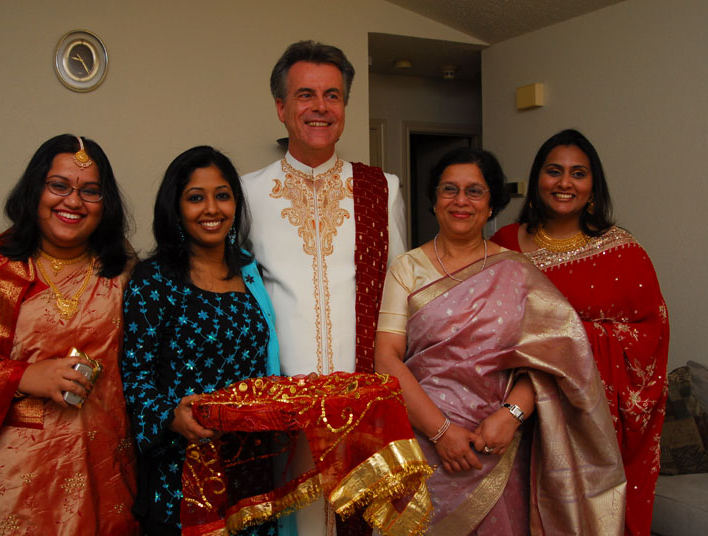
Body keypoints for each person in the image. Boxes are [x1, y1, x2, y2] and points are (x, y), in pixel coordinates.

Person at [375, 146, 626, 534]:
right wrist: (440, 432)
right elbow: (386, 358)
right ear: (434, 200)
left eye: (474, 191)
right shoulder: (407, 268)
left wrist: (511, 415)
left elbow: (555, 360)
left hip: (498, 446)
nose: (461, 201)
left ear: (491, 204)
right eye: (449, 189)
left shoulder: (519, 272)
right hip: (422, 441)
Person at [0, 134, 138, 535]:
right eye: (59, 186)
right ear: (35, 190)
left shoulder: (121, 268)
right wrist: (21, 376)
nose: (73, 202)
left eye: (90, 191)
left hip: (107, 464)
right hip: (18, 477)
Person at [241, 39, 407, 535]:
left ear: (345, 107)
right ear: (281, 107)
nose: (320, 107)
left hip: (364, 405)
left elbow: (401, 298)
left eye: (332, 95)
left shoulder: (382, 189)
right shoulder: (247, 192)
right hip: (281, 409)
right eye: (306, 95)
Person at [491, 129, 669, 536]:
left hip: (589, 422)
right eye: (554, 171)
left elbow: (650, 335)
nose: (565, 183)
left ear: (593, 187)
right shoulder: (502, 245)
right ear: (537, 180)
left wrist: (570, 337)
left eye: (578, 174)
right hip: (511, 420)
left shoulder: (623, 252)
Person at [121, 146, 280, 536]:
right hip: (181, 473)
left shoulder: (252, 273)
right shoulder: (153, 280)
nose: (212, 209)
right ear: (175, 208)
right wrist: (171, 416)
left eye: (222, 195)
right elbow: (135, 376)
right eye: (196, 197)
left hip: (251, 467)